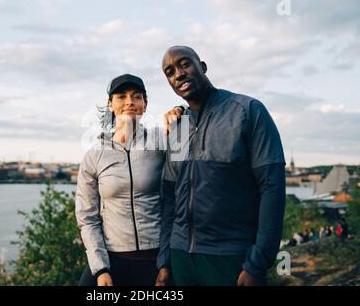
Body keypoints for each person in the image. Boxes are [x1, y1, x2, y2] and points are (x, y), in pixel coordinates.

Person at [156, 46, 286, 286]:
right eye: (170, 72)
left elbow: (272, 188)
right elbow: (170, 199)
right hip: (181, 258)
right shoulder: (178, 128)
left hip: (232, 258)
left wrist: (257, 263)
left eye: (185, 64)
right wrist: (165, 261)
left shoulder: (247, 111)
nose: (179, 74)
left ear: (202, 67)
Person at [75, 74, 167, 286]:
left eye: (136, 97)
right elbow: (87, 217)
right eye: (121, 96)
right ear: (110, 105)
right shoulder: (94, 156)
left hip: (155, 256)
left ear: (145, 105)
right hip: (113, 258)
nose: (129, 102)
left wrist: (180, 113)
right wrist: (101, 269)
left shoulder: (162, 142)